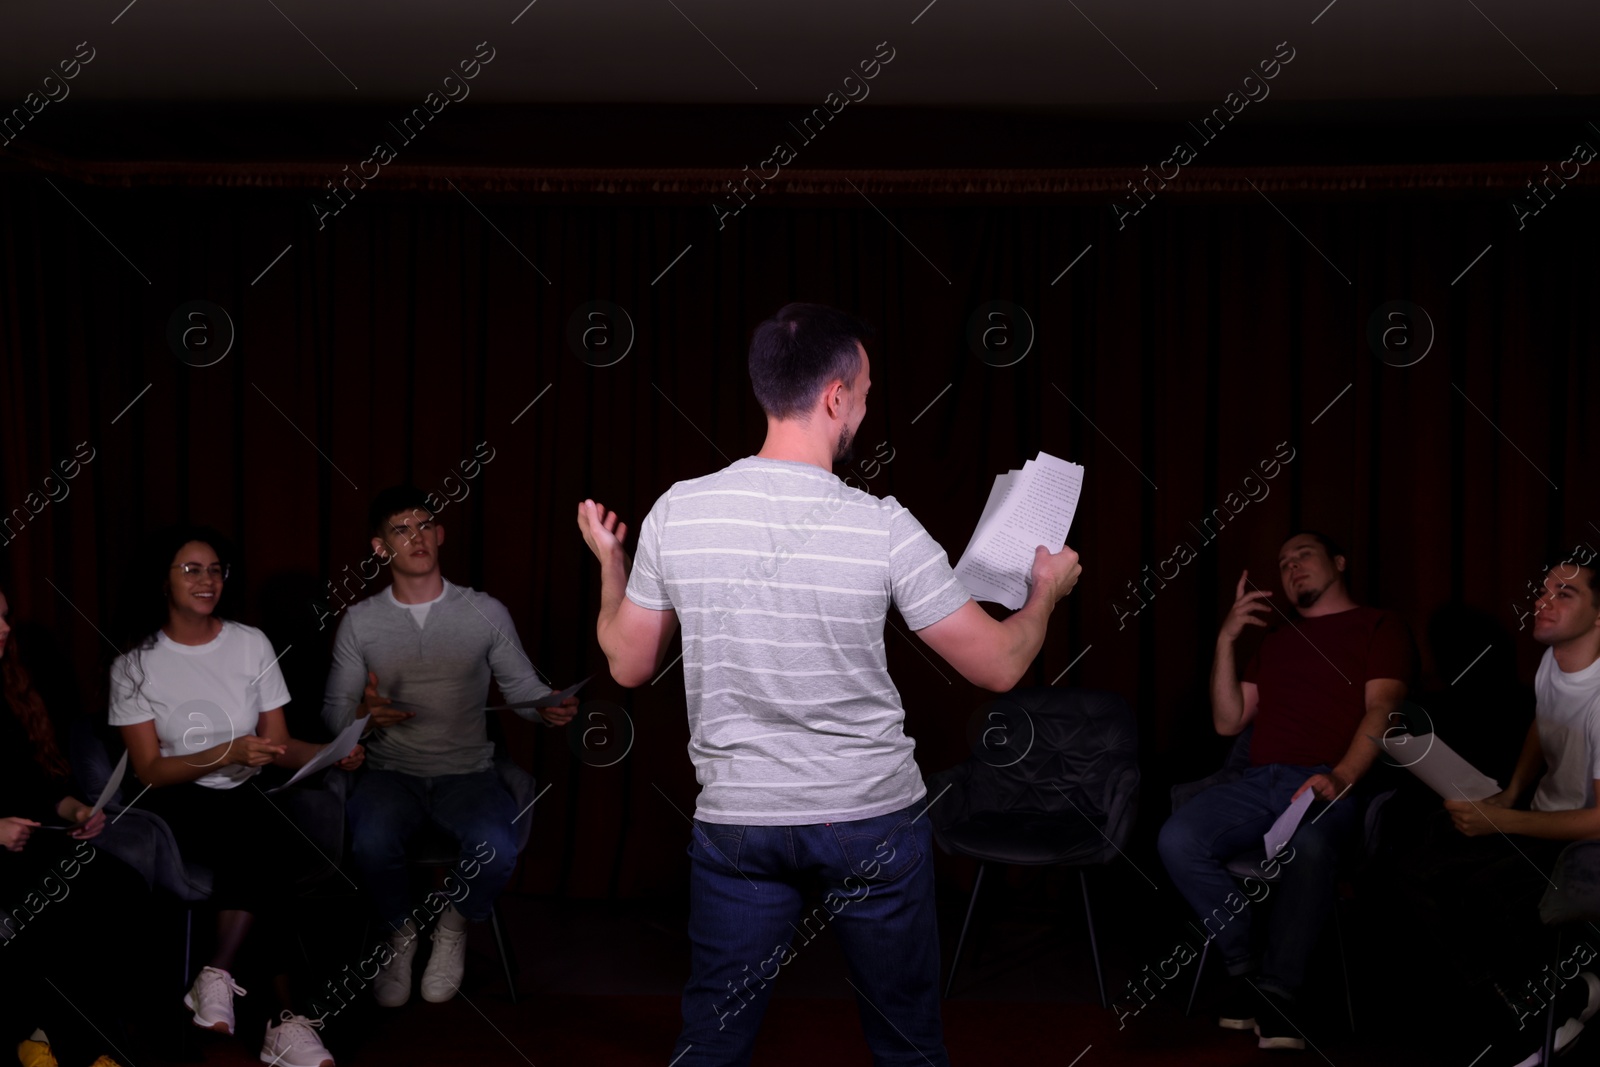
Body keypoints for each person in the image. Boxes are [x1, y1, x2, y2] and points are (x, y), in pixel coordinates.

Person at [575, 302, 1082, 1065]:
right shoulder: (882, 523)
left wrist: (611, 568)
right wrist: (1046, 589)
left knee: (711, 1041)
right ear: (836, 395)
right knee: (908, 1043)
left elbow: (627, 663)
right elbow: (1002, 664)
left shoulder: (677, 510)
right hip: (870, 817)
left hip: (740, 821)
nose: (868, 408)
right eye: (869, 391)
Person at [108, 527, 357, 1067]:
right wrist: (226, 754)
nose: (207, 580)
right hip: (175, 798)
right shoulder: (133, 665)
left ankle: (218, 976)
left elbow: (279, 745)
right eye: (192, 569)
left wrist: (331, 752)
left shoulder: (251, 643)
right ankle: (284, 1023)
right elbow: (149, 769)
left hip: (243, 793)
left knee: (258, 832)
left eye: (216, 569)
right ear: (164, 581)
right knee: (266, 840)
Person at [320, 487, 577, 1010]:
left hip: (468, 772)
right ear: (380, 548)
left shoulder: (485, 611)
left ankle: (453, 927)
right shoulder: (361, 622)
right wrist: (364, 716)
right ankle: (401, 933)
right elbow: (332, 715)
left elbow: (524, 693)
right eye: (401, 529)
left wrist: (546, 706)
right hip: (392, 773)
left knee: (497, 846)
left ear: (439, 536)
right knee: (369, 842)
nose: (416, 537)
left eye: (424, 525)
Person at [1157, 532, 1413, 1050]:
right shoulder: (1274, 641)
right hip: (1258, 781)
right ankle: (1247, 960)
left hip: (1327, 780)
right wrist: (1226, 640)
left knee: (1311, 846)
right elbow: (1229, 722)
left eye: (1305, 555)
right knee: (1177, 838)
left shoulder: (1378, 625)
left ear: (1339, 562)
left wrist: (1341, 776)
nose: (1292, 566)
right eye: (1283, 562)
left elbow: (1382, 711)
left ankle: (1278, 993)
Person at [1404, 555, 1600, 1066]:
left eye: (1565, 593)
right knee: (1421, 865)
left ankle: (1553, 1013)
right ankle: (1542, 1007)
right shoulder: (1554, 660)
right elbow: (1543, 721)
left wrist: (1503, 820)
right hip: (1539, 818)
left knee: (1484, 892)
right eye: (1545, 588)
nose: (1543, 599)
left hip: (1584, 840)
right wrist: (1511, 792)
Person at [0, 586, 145, 1067]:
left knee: (119, 887)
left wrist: (78, 812)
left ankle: (64, 1038)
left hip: (32, 838)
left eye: (5, 616)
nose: (4, 629)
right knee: (54, 907)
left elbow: (42, 789)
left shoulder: (13, 690)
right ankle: (61, 1044)